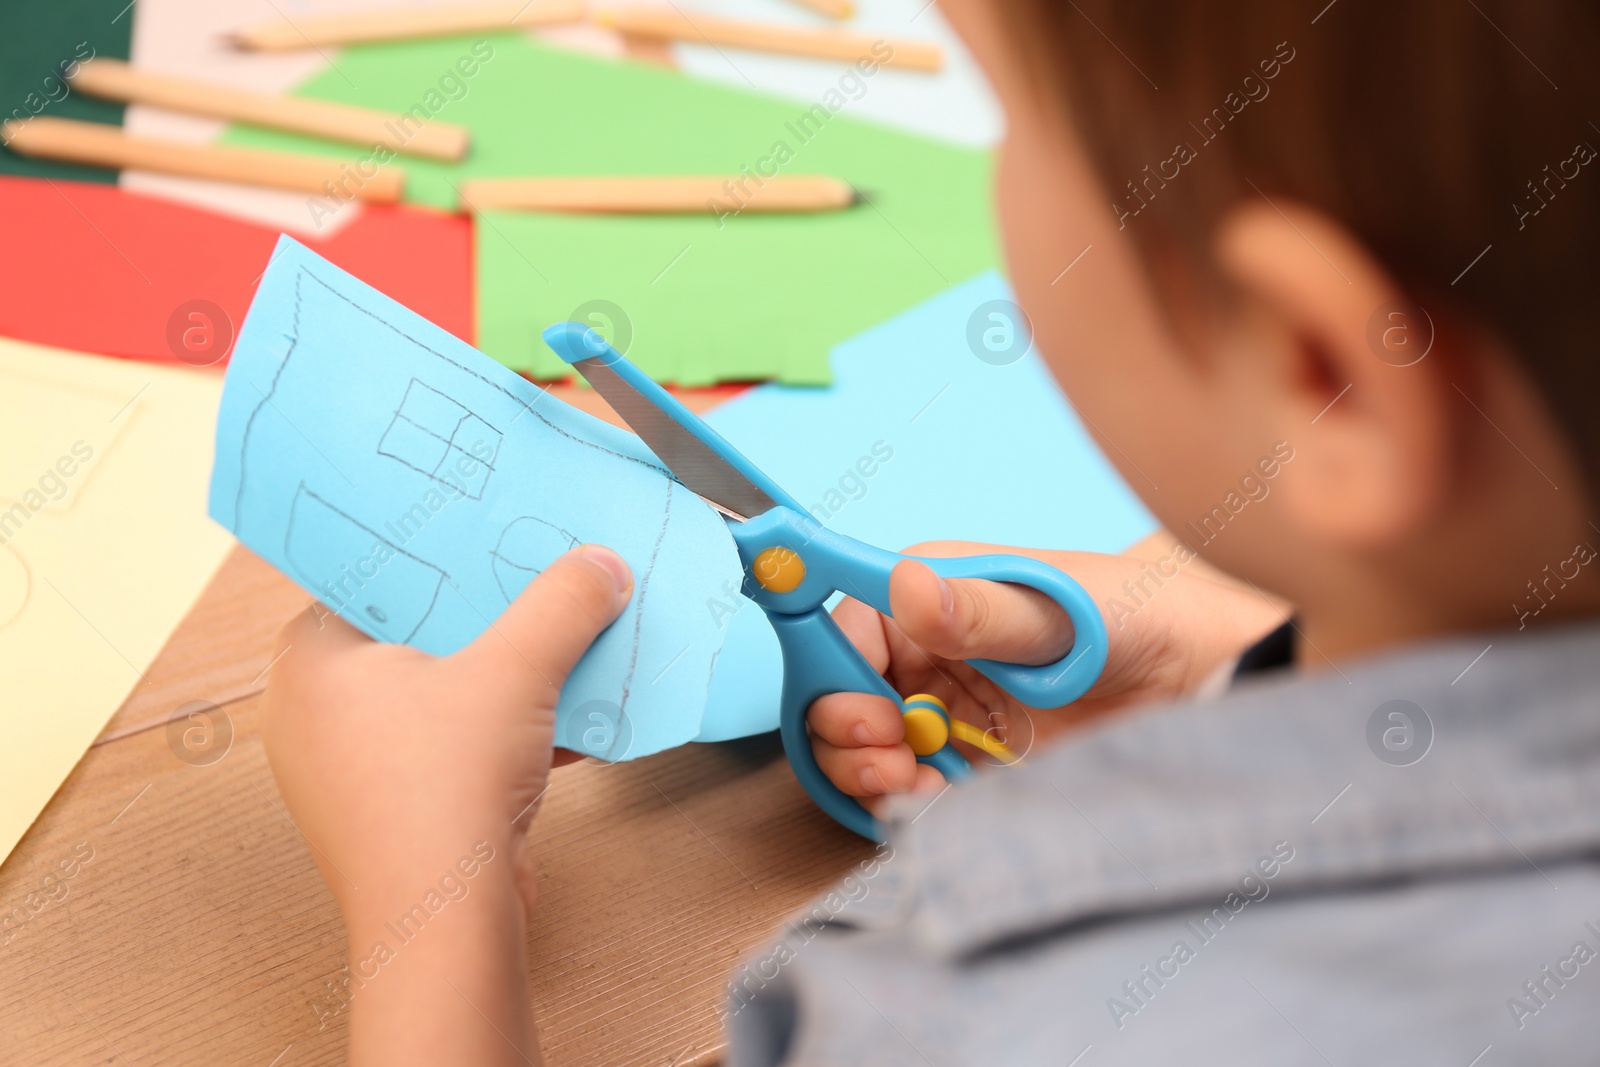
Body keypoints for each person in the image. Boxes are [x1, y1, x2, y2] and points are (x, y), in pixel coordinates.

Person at [261, 0, 1600, 1062]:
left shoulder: (966, 1001)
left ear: (1326, 375)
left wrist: (428, 912)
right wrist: (1240, 671)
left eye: (1009, 119)